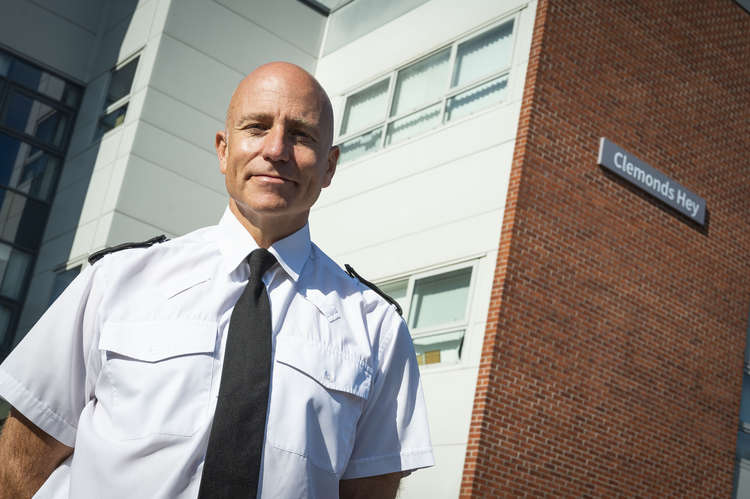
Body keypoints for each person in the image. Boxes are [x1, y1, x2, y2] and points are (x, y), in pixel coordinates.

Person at [0, 62, 433, 498]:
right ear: (224, 150)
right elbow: (21, 464)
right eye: (257, 127)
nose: (276, 149)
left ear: (329, 166)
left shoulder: (376, 329)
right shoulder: (115, 281)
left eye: (301, 135)